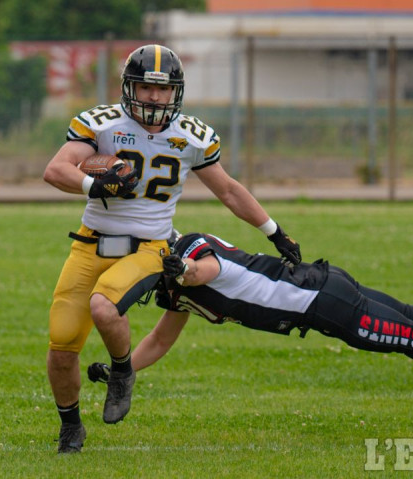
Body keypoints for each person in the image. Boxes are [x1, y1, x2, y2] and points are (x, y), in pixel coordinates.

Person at [42, 45, 301, 453]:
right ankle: (71, 428)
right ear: (130, 87)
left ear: (176, 92)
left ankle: (123, 372)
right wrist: (96, 185)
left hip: (148, 246)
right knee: (61, 348)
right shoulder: (103, 123)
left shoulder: (190, 135)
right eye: (146, 87)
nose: (154, 97)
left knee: (104, 307)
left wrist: (274, 231)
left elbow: (229, 191)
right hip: (90, 245)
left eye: (163, 90)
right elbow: (55, 169)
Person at [89, 231, 413, 431]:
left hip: (322, 303)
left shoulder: (186, 251)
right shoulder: (173, 291)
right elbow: (159, 340)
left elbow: (205, 270)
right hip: (321, 289)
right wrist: (122, 371)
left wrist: (182, 271)